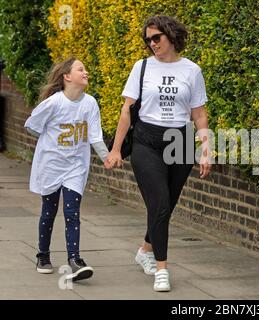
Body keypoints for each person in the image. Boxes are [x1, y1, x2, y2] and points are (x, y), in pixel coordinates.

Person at [106, 15, 212, 292]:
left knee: (165, 206)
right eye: (148, 39)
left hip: (180, 143)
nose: (152, 43)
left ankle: (144, 249)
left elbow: (199, 114)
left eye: (157, 38)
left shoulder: (192, 70)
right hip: (146, 142)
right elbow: (126, 111)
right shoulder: (141, 68)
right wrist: (116, 149)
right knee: (160, 203)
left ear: (171, 36)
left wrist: (205, 149)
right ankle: (161, 268)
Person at [24, 57, 111, 282]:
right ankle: (43, 255)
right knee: (49, 211)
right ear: (67, 76)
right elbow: (32, 125)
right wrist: (49, 142)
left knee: (72, 213)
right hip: (51, 165)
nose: (86, 72)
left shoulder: (90, 103)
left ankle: (75, 260)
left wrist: (106, 158)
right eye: (81, 69)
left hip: (75, 167)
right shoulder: (54, 103)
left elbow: (95, 136)